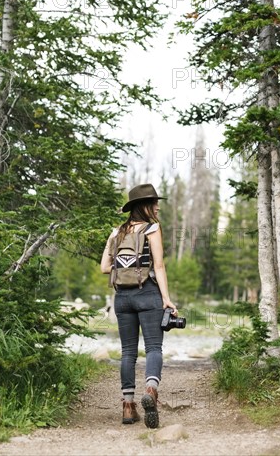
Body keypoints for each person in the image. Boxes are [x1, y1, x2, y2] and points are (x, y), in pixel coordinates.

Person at [100, 183, 178, 429]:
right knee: (154, 347)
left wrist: (112, 243)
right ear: (142, 206)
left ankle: (127, 405)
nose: (157, 206)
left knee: (128, 353)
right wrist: (166, 298)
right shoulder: (152, 229)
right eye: (153, 202)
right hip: (148, 294)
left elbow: (104, 268)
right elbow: (159, 266)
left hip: (122, 298)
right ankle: (151, 391)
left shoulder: (117, 232)